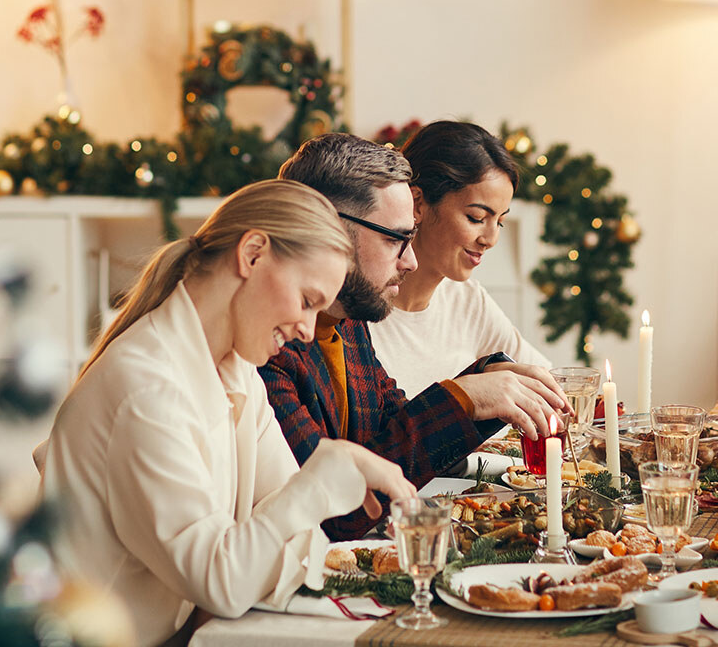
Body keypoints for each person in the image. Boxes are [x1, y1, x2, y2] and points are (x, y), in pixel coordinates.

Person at [36, 179, 415, 647]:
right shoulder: (148, 388)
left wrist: (248, 557)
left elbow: (301, 540)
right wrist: (319, 477)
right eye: (307, 300)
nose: (306, 330)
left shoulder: (237, 371)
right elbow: (225, 581)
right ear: (253, 254)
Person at [259, 133, 571, 540]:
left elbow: (392, 426)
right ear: (328, 230)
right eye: (394, 239)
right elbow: (336, 513)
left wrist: (487, 378)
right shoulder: (269, 346)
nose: (409, 259)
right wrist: (466, 397)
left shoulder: (346, 323)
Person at [370, 120, 551, 398]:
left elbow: (546, 381)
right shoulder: (358, 312)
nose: (490, 239)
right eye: (476, 218)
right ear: (417, 203)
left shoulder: (467, 300)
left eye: (499, 222)